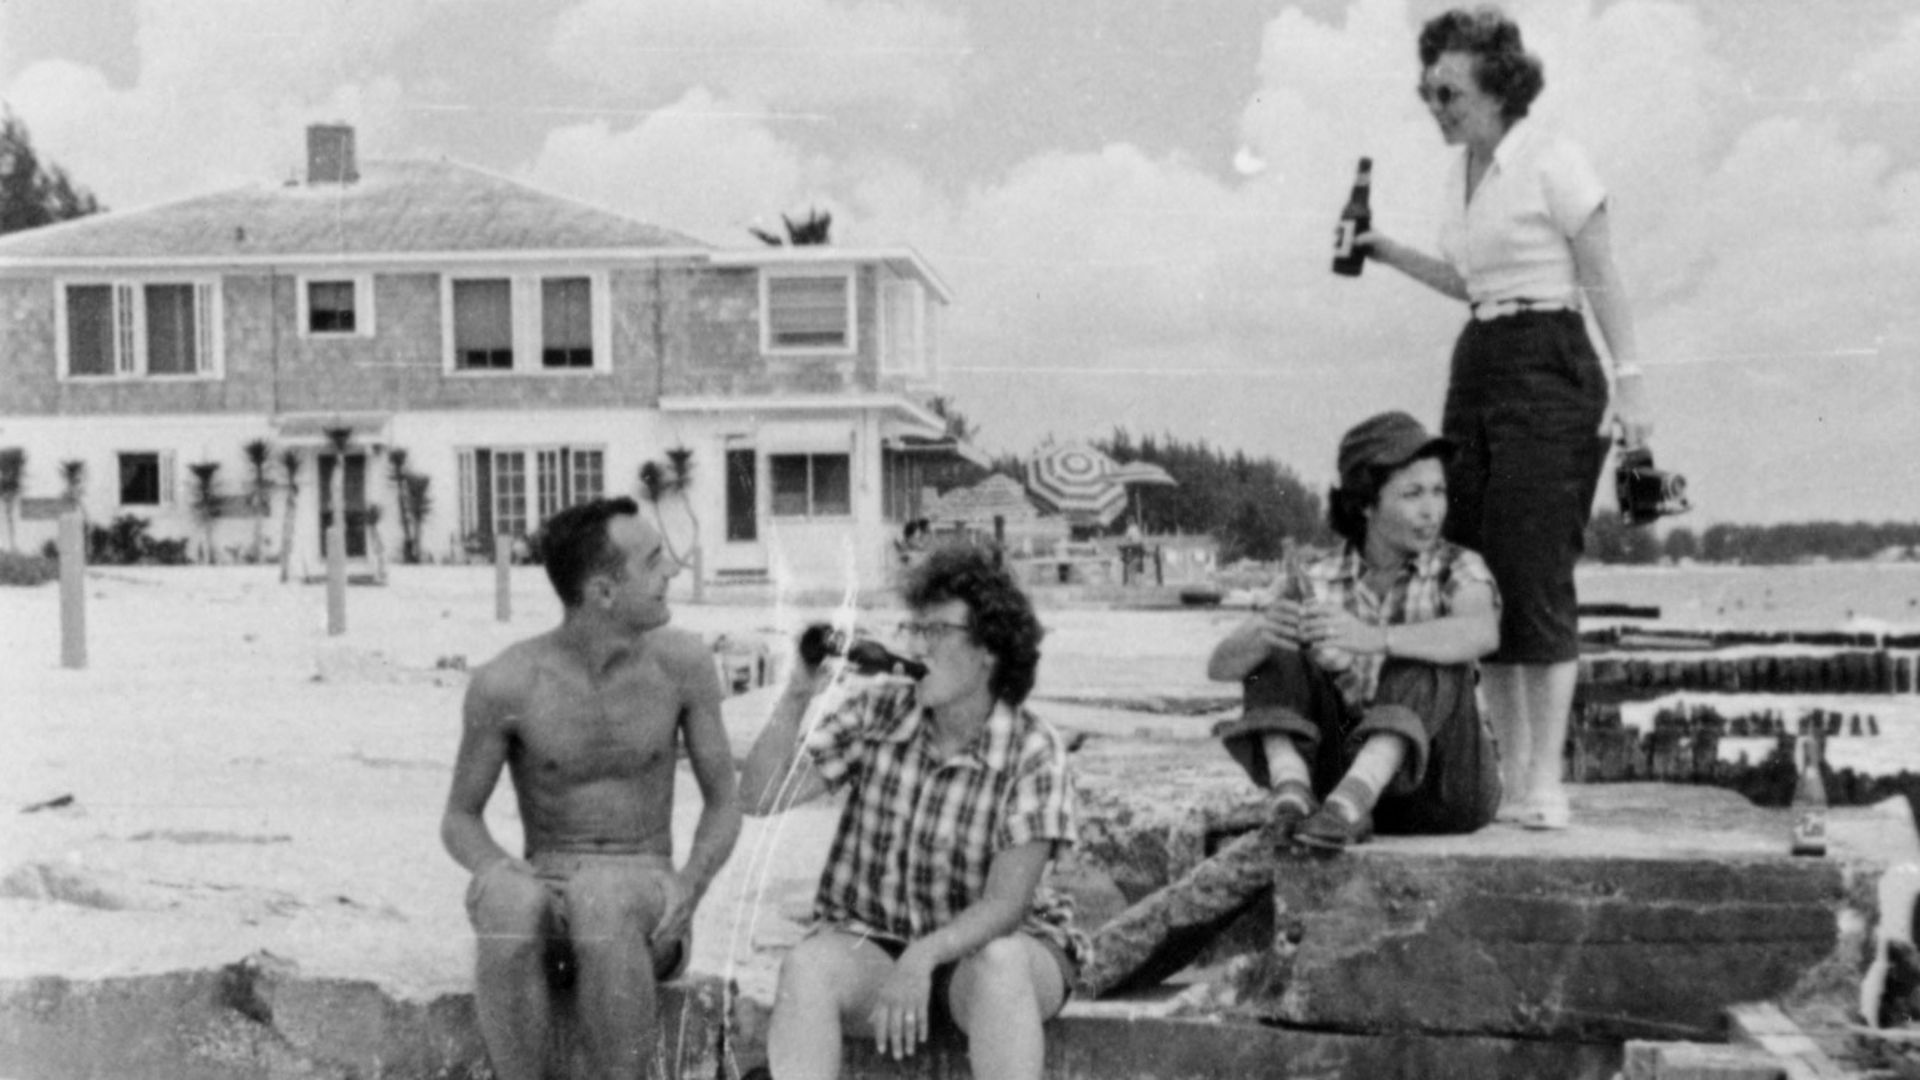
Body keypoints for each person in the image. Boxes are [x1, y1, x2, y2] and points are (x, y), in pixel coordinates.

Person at [1356, 6, 1652, 830]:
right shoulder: (1463, 174)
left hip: (1551, 364)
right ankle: (1513, 779)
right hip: (1479, 362)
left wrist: (1633, 391)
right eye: (1427, 89)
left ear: (1497, 87)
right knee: (1482, 569)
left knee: (1534, 571)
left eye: (1448, 90)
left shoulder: (1553, 160)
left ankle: (1543, 780)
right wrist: (1383, 249)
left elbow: (1602, 276)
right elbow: (1469, 282)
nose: (1434, 103)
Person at [740, 543, 1088, 1079]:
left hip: (1000, 953)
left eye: (937, 632)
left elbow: (1006, 906)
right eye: (914, 630)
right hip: (880, 946)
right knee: (807, 966)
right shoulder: (880, 712)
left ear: (988, 651)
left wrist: (924, 956)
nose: (917, 645)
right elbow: (760, 797)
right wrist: (795, 696)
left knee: (1000, 964)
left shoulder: (1031, 749)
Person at [441, 497, 742, 1080]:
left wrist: (691, 886)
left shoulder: (682, 666)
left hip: (643, 894)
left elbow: (724, 802)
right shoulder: (508, 682)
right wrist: (499, 868)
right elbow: (459, 818)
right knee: (505, 900)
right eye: (654, 561)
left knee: (601, 898)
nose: (672, 571)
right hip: (547, 888)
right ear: (604, 592)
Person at [1208, 411, 1503, 850]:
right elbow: (1221, 667)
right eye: (1413, 494)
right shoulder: (1316, 577)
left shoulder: (1457, 566)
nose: (1432, 510)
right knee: (1276, 642)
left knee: (1431, 655)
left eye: (1438, 491)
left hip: (1441, 789)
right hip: (1329, 799)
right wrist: (1264, 631)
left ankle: (1354, 797)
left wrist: (1374, 638)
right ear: (1365, 503)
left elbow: (1481, 631)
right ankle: (1292, 789)